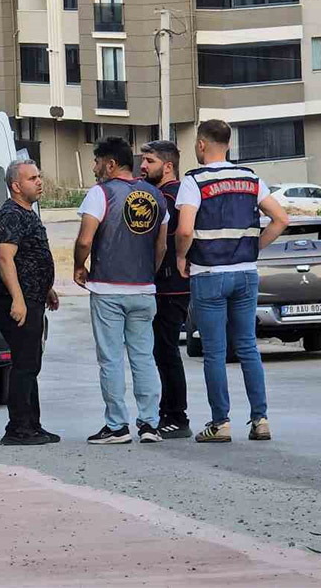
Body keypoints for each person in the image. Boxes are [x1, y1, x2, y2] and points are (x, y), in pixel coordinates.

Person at [175, 119, 289, 443]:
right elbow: (281, 219)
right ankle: (260, 419)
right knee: (248, 348)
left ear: (201, 145)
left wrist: (182, 256)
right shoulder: (250, 179)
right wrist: (254, 245)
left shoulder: (194, 182)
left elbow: (184, 230)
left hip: (208, 274)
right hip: (245, 272)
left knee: (214, 351)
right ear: (228, 144)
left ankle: (220, 422)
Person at [74, 138, 169, 445]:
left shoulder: (100, 194)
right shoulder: (156, 196)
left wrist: (79, 266)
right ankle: (150, 423)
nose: (94, 167)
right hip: (144, 288)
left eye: (97, 161)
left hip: (107, 288)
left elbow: (85, 240)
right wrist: (148, 274)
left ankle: (117, 426)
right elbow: (161, 245)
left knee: (111, 359)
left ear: (111, 164)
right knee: (143, 357)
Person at [0, 159, 60, 446]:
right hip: (16, 302)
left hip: (34, 297)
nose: (39, 182)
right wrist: (18, 299)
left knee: (31, 363)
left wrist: (47, 289)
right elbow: (5, 258)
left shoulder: (27, 212)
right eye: (32, 178)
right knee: (24, 364)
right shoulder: (10, 215)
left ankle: (32, 424)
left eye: (39, 176)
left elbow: (32, 257)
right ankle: (18, 428)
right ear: (16, 186)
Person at [139, 140, 192, 440]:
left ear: (168, 166)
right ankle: (168, 411)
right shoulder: (179, 194)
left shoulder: (169, 198)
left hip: (171, 286)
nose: (143, 166)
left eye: (150, 161)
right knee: (162, 350)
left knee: (166, 350)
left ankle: (176, 415)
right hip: (169, 285)